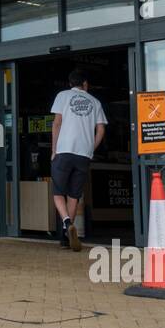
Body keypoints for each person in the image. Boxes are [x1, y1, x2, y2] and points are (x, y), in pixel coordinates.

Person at [50, 68, 106, 252]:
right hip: (83, 155)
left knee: (58, 192)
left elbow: (57, 123)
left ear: (70, 84)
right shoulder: (95, 102)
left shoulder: (62, 96)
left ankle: (66, 223)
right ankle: (66, 238)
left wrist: (53, 149)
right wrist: (90, 148)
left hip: (64, 150)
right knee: (74, 195)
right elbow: (101, 131)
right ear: (85, 84)